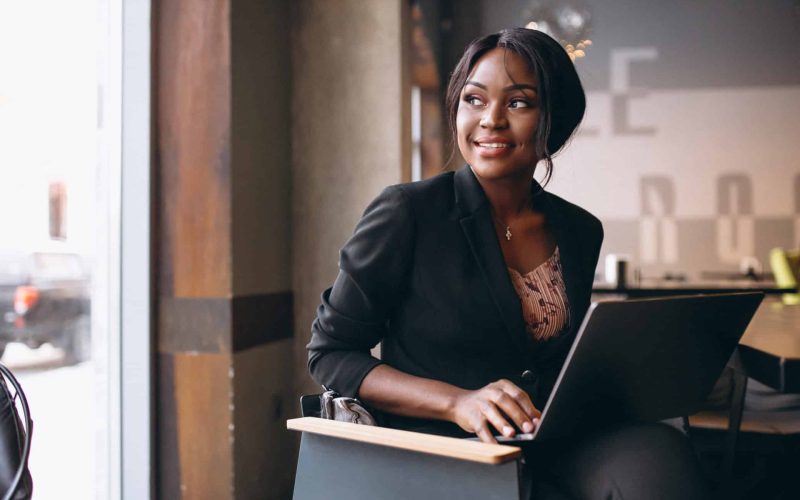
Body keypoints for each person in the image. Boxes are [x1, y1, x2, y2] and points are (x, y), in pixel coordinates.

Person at [307, 28, 709, 499]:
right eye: (474, 100)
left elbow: (554, 362)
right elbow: (330, 354)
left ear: (552, 121)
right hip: (444, 447)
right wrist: (457, 402)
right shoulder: (407, 213)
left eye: (518, 103)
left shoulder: (579, 230)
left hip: (549, 438)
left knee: (660, 458)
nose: (490, 120)